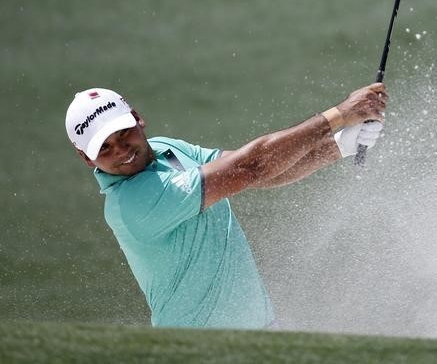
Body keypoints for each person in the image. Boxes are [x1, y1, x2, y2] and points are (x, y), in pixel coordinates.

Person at [64, 84, 387, 329]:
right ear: (85, 157)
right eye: (104, 148)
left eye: (123, 134)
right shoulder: (133, 203)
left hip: (259, 334)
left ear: (137, 119)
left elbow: (257, 174)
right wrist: (340, 114)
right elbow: (250, 167)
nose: (121, 151)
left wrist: (337, 147)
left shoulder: (165, 150)